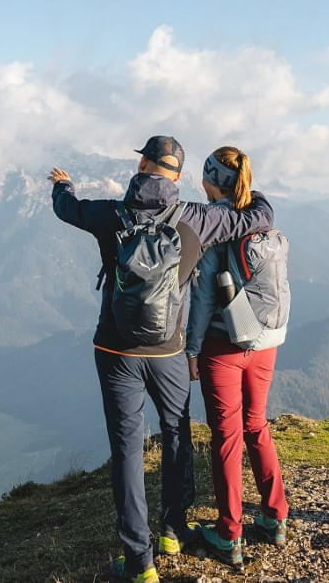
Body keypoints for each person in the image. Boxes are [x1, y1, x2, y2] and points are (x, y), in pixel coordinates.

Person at [49, 135, 274, 583]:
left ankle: (140, 561)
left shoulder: (110, 213)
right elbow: (261, 215)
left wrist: (63, 185)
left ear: (144, 165)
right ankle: (174, 528)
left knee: (128, 450)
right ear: (176, 174)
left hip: (116, 350)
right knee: (175, 433)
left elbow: (67, 209)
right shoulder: (198, 218)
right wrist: (248, 186)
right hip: (169, 350)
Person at [185, 146, 289, 569]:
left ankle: (229, 534)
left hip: (224, 347)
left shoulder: (217, 229)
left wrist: (192, 350)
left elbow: (204, 296)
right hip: (266, 342)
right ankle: (275, 517)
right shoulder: (259, 213)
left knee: (226, 438)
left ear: (211, 181)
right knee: (256, 425)